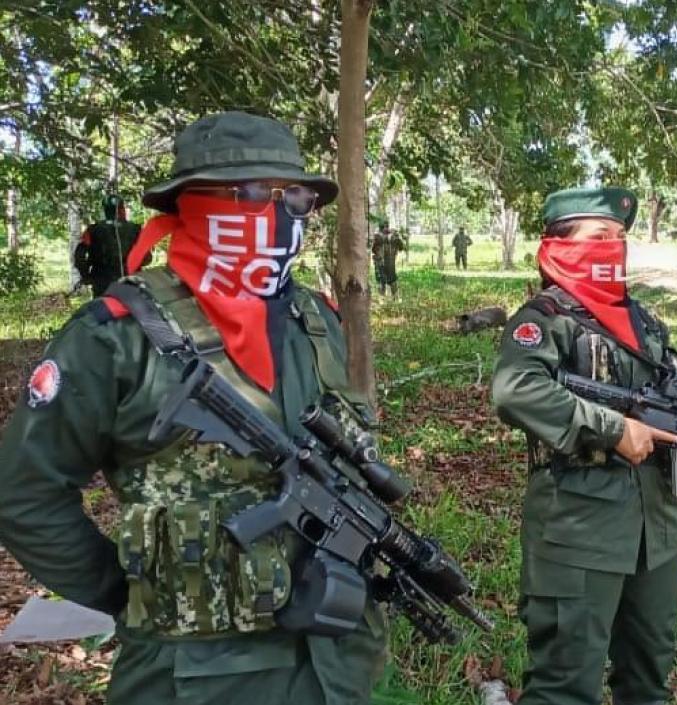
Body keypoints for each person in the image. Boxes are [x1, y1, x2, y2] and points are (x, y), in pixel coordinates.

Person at [0, 111, 387, 705]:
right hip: (195, 676)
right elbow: (25, 492)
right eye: (253, 193)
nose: (281, 215)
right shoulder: (116, 335)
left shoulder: (316, 320)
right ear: (192, 203)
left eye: (296, 198)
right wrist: (128, 590)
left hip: (332, 662)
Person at [491, 186, 677, 705]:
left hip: (656, 535)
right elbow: (515, 390)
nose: (613, 247)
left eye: (619, 237)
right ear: (560, 243)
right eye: (598, 236)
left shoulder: (645, 324)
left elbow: (676, 401)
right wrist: (614, 429)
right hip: (578, 532)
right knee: (565, 688)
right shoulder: (543, 321)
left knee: (647, 683)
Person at [74, 193, 148, 297]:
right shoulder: (136, 230)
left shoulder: (93, 230)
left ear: (105, 211)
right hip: (131, 280)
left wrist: (86, 276)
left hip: (102, 282)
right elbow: (147, 258)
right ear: (121, 209)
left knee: (103, 306)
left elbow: (79, 256)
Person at [371, 225, 403, 297]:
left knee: (381, 280)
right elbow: (401, 248)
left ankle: (382, 297)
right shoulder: (395, 236)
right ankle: (394, 297)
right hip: (389, 262)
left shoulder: (377, 236)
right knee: (391, 280)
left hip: (381, 262)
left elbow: (373, 250)